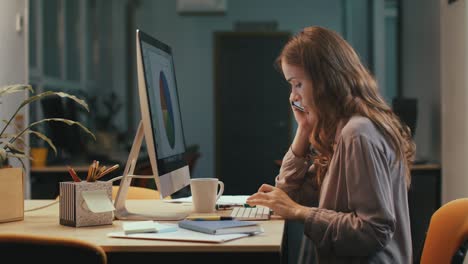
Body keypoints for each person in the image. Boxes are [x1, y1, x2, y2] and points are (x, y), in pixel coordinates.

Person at [246, 26, 415, 263]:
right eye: (290, 86)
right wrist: (303, 129)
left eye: (298, 84)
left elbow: (373, 231)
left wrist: (299, 212)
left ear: (325, 81)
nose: (293, 97)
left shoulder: (357, 133)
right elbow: (287, 193)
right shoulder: (340, 131)